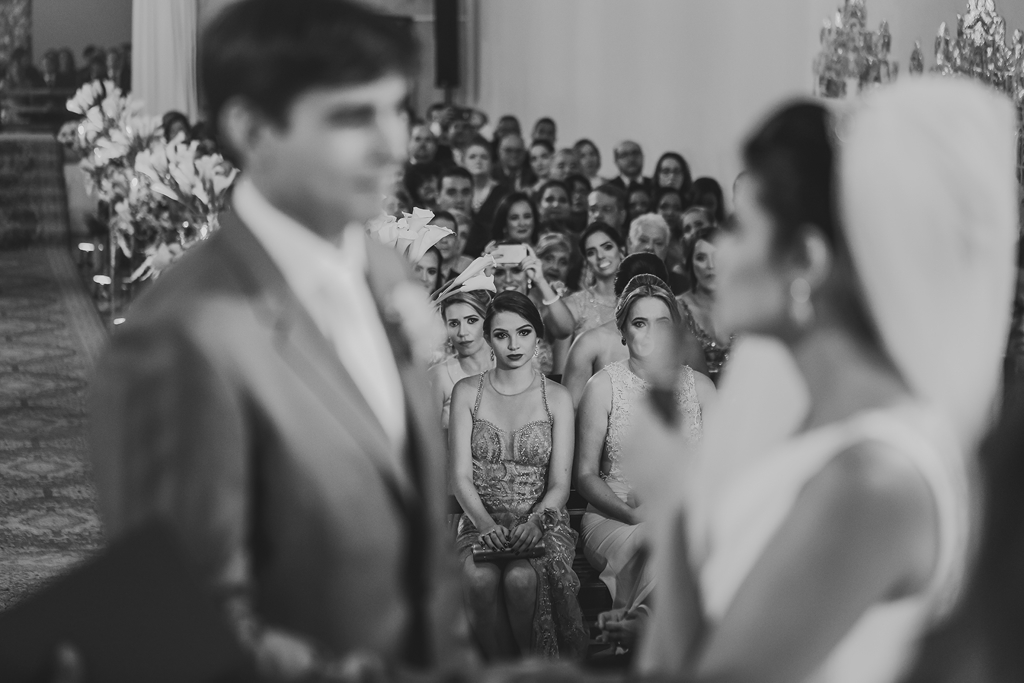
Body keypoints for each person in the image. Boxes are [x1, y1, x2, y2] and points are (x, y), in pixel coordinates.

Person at [88, 1, 471, 678]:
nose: (394, 145)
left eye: (397, 110)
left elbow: (419, 548)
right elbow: (190, 625)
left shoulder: (388, 270)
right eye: (352, 116)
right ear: (252, 128)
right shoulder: (180, 338)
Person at [636, 79, 1018, 683]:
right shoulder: (808, 422)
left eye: (742, 229)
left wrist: (669, 507)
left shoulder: (877, 480)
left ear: (805, 261)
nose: (720, 255)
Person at [450, 291, 587, 660]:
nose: (513, 345)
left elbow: (560, 485)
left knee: (521, 579)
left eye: (524, 332)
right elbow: (460, 477)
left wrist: (537, 522)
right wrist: (484, 524)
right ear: (488, 338)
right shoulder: (466, 392)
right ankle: (498, 670)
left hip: (542, 519)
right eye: (502, 335)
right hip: (480, 519)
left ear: (538, 336)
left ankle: (530, 669)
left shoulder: (557, 397)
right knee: (479, 580)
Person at [577, 275, 713, 629]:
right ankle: (648, 635)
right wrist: (631, 513)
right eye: (640, 323)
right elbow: (585, 475)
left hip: (684, 513)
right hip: (616, 516)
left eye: (662, 323)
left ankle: (637, 630)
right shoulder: (603, 386)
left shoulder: (701, 387)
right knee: (660, 545)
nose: (651, 333)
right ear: (623, 331)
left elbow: (718, 468)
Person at [562, 254, 707, 407]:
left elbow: (704, 404)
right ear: (621, 298)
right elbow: (571, 409)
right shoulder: (589, 343)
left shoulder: (688, 344)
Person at [544, 222, 624, 342]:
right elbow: (562, 355)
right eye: (591, 252)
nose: (600, 256)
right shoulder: (574, 306)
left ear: (621, 251)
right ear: (586, 262)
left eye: (607, 247)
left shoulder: (640, 298)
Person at [430, 290, 494, 434]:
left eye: (471, 320)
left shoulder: (508, 368)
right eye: (454, 323)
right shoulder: (439, 376)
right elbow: (427, 438)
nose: (462, 332)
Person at [677, 225, 731, 382]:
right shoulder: (676, 308)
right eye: (701, 258)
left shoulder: (745, 306)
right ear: (690, 263)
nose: (710, 265)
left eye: (717, 256)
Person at [463, 137, 509, 243]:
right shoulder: (458, 192)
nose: (478, 161)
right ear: (463, 161)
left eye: (484, 157)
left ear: (492, 162)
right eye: (472, 157)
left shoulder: (503, 193)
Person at [432, 210, 472, 283]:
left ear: (457, 239)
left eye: (450, 234)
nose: (444, 240)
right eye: (438, 234)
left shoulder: (470, 268)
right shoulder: (414, 268)